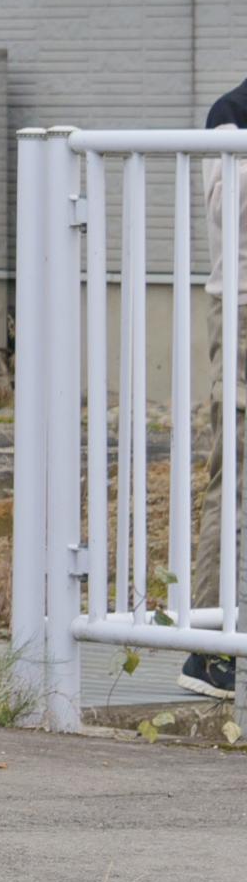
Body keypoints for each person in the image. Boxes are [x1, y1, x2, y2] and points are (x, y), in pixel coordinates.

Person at [187, 87, 247, 700]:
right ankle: (208, 649)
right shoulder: (232, 115)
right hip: (243, 310)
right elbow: (235, 216)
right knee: (232, 472)